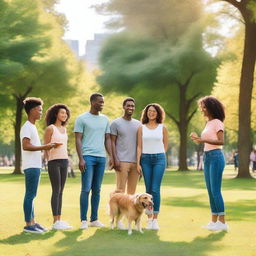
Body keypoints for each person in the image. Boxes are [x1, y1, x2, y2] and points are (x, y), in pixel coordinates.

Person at [20, 97, 60, 233]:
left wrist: (45, 148)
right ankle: (28, 224)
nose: (41, 112)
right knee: (30, 194)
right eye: (39, 110)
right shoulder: (27, 127)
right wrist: (45, 147)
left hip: (35, 165)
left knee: (32, 194)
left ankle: (33, 222)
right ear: (32, 111)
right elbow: (25, 146)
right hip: (31, 166)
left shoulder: (32, 127)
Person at [74, 93, 113, 229]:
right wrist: (81, 158)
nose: (102, 104)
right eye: (99, 102)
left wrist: (111, 156)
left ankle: (94, 219)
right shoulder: (82, 118)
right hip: (88, 157)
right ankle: (84, 220)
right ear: (92, 102)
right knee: (86, 189)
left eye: (103, 102)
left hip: (101, 158)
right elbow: (78, 139)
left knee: (97, 189)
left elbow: (107, 139)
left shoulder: (105, 119)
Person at [190, 96, 228, 231]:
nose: (202, 110)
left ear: (211, 107)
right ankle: (213, 221)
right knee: (210, 191)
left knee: (216, 191)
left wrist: (201, 140)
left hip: (216, 157)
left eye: (204, 107)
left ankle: (222, 223)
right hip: (207, 157)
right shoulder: (208, 123)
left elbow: (221, 141)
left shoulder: (217, 122)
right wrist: (197, 139)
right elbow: (205, 140)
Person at [137, 103, 168, 230]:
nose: (151, 113)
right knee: (148, 190)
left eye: (154, 111)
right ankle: (149, 219)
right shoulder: (141, 128)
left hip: (159, 159)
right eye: (149, 111)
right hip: (145, 160)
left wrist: (159, 154)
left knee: (155, 189)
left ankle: (155, 220)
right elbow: (139, 146)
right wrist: (138, 162)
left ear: (158, 113)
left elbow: (165, 145)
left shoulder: (162, 127)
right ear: (146, 113)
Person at [44, 104, 72, 230]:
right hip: (53, 162)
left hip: (64, 161)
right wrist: (51, 149)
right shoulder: (50, 129)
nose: (64, 115)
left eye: (66, 113)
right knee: (56, 190)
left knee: (61, 191)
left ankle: (59, 220)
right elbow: (45, 147)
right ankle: (55, 221)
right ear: (56, 114)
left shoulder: (64, 129)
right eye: (62, 113)